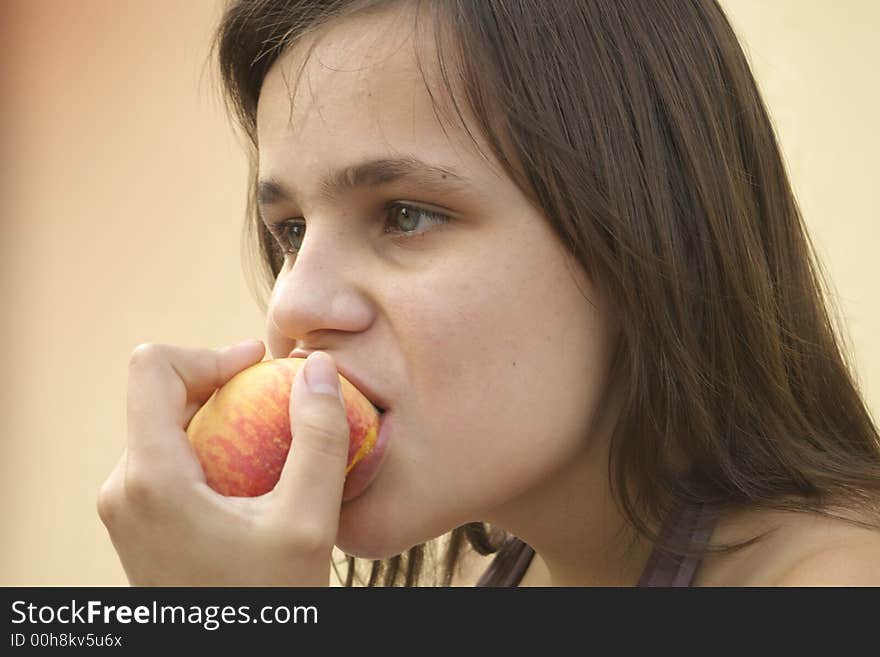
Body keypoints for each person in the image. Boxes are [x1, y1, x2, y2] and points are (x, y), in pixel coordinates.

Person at [97, 0, 880, 587]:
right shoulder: (496, 574)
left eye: (404, 214)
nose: (293, 306)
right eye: (293, 229)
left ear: (644, 237)